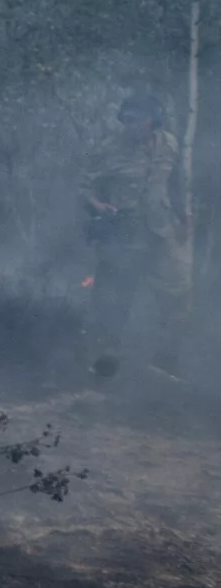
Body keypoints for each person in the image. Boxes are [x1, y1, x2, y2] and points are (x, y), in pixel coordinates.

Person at [81, 92, 191, 378]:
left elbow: (176, 181)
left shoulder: (168, 143)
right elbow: (84, 186)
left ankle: (165, 359)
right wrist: (97, 205)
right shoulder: (109, 149)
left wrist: (183, 215)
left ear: (152, 120)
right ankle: (105, 360)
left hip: (159, 228)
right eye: (126, 120)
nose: (131, 125)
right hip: (122, 232)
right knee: (115, 297)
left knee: (177, 289)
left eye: (137, 119)